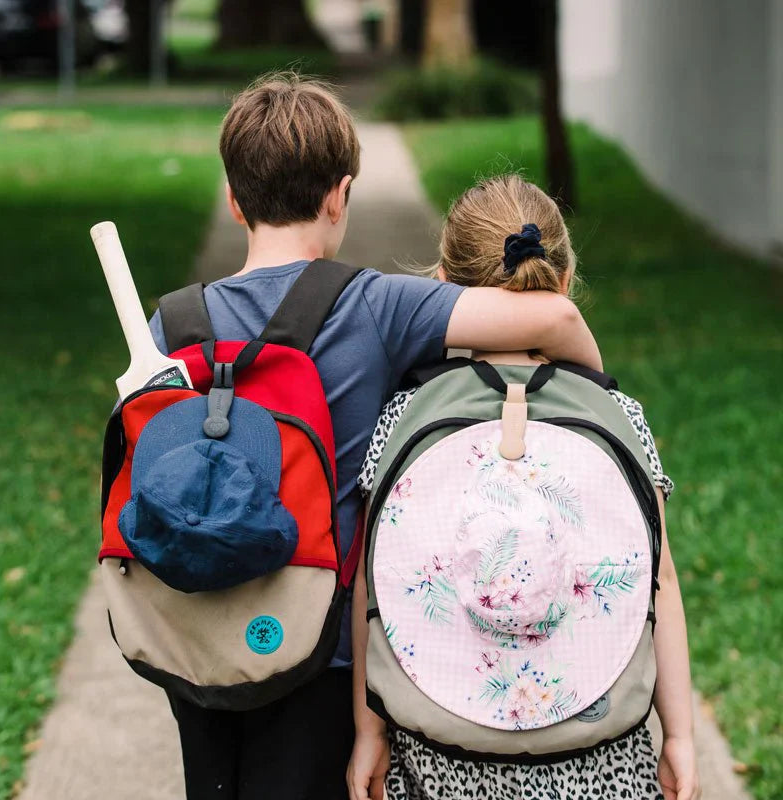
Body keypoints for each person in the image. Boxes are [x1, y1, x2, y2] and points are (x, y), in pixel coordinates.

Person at [147, 75, 602, 800]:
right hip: (318, 652)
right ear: (341, 195)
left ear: (234, 200)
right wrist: (601, 419)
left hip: (194, 639)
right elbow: (558, 322)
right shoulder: (374, 304)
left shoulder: (172, 324)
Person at [349, 174, 700, 800]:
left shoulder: (405, 415)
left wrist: (368, 729)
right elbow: (660, 580)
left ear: (444, 288)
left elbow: (376, 582)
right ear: (563, 280)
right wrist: (679, 737)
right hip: (596, 752)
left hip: (442, 751)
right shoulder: (619, 416)